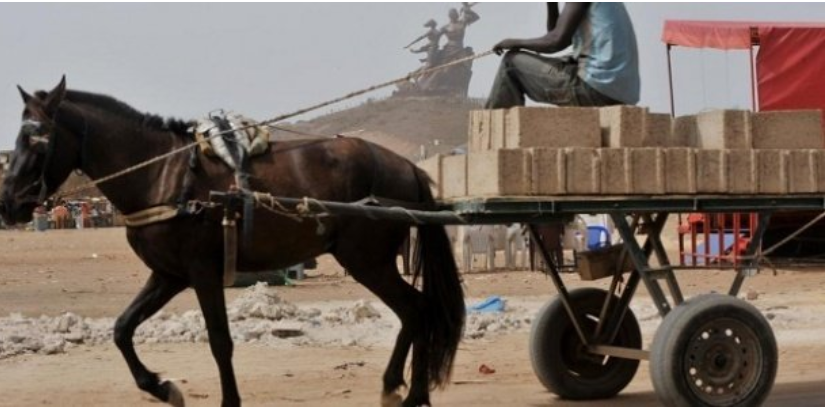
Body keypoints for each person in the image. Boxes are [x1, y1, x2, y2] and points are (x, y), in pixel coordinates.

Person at [486, 2, 640, 109]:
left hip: (595, 90)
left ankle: (489, 136)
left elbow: (555, 41)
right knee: (568, 59)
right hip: (621, 95)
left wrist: (514, 42)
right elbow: (559, 35)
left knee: (511, 63)